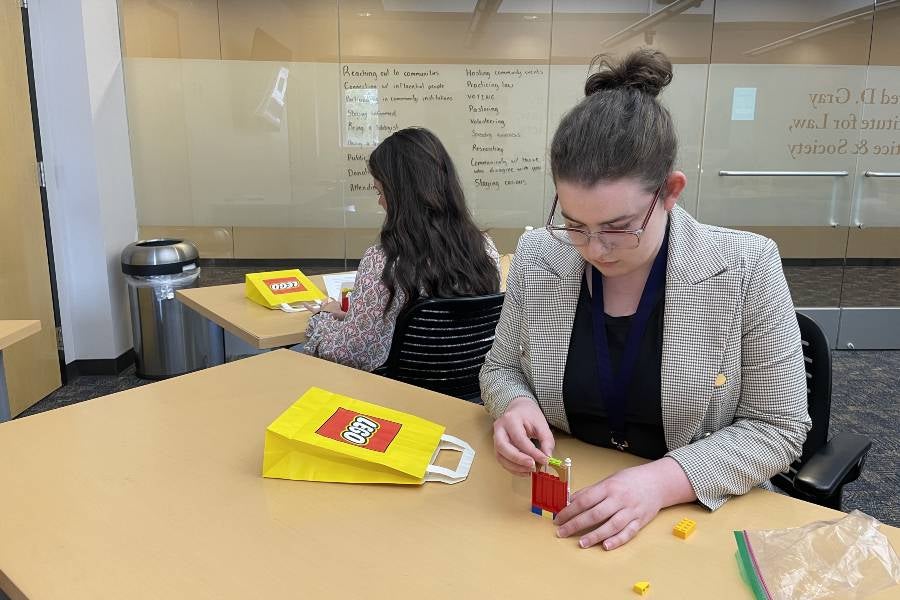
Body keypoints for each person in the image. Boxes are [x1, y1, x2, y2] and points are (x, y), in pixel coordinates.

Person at [480, 49, 810, 551]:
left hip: (689, 517)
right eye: (574, 224)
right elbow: (500, 368)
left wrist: (660, 481)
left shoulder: (745, 268)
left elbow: (778, 427)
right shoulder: (539, 256)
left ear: (670, 191)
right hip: (561, 505)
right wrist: (514, 404)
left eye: (619, 227)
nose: (594, 249)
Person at [303, 127, 501, 371]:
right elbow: (441, 333)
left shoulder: (383, 263)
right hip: (467, 389)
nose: (379, 201)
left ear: (402, 196)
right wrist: (358, 321)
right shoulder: (485, 249)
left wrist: (322, 318)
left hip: (398, 392)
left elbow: (348, 355)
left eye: (381, 192)